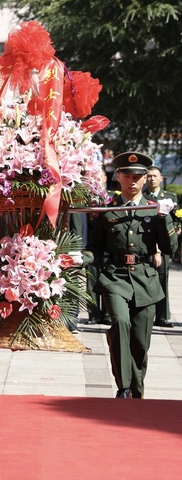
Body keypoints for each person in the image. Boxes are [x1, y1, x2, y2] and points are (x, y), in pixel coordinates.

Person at [87, 151, 175, 398]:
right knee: (120, 323)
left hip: (145, 280)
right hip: (115, 277)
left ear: (146, 178)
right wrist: (80, 258)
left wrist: (164, 219)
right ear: (118, 176)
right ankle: (123, 387)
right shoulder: (107, 211)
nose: (132, 180)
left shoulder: (154, 209)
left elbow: (170, 249)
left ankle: (136, 391)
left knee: (140, 341)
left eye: (138, 175)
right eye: (127, 174)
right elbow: (96, 247)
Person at [144, 165, 179, 327]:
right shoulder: (141, 197)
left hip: (163, 245)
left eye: (154, 176)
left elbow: (176, 221)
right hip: (145, 244)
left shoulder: (169, 197)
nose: (151, 178)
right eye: (149, 176)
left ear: (161, 178)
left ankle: (162, 316)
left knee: (162, 279)